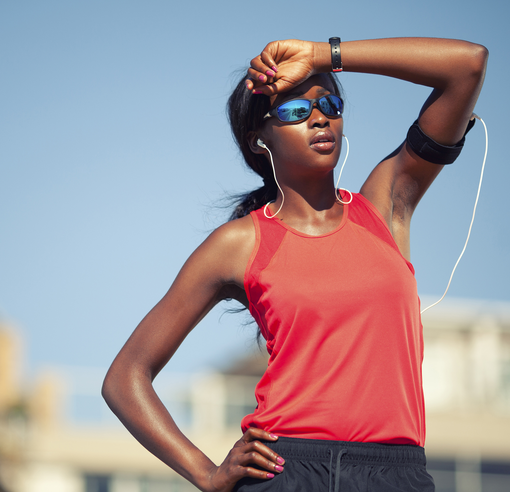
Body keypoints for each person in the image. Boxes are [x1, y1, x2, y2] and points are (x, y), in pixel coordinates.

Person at [103, 37, 488, 492]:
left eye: (329, 103)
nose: (320, 117)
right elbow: (125, 378)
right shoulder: (239, 242)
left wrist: (323, 56)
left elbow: (467, 66)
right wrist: (206, 472)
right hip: (287, 472)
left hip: (396, 473)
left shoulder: (386, 207)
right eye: (294, 111)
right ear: (258, 138)